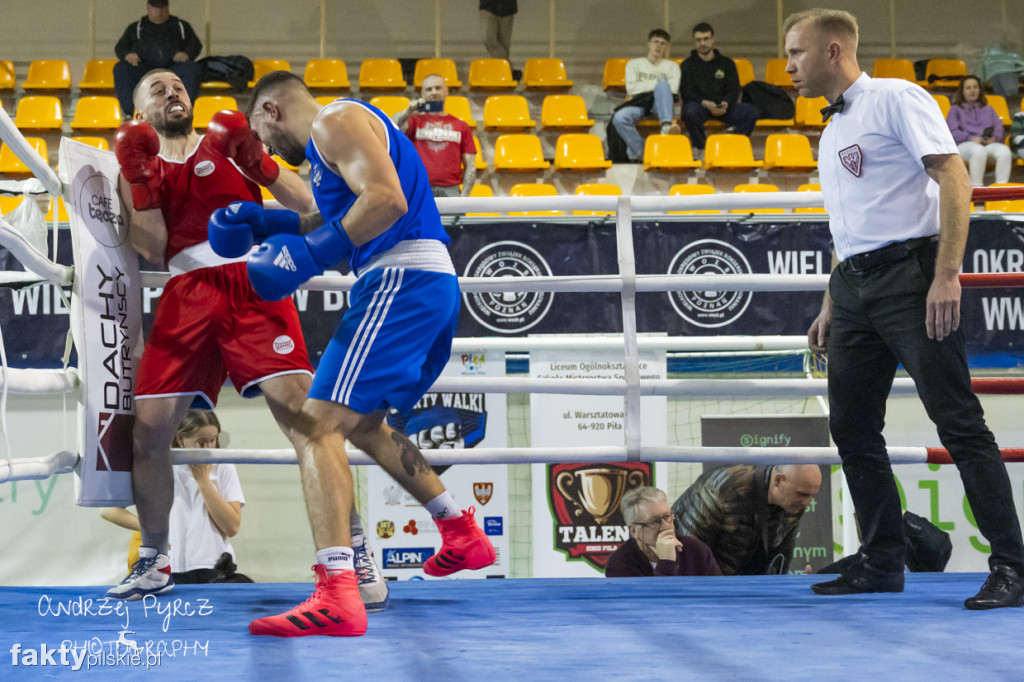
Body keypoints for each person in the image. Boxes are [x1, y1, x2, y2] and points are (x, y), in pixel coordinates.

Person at [207, 70, 497, 637]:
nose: (269, 151)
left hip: (401, 280)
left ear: (269, 110)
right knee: (363, 425)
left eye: (265, 138)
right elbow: (336, 217)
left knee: (314, 428)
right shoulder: (333, 140)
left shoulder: (332, 121)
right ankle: (460, 529)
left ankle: (338, 591)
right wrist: (265, 220)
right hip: (419, 280)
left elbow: (385, 201)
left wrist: (312, 256)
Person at [105, 69, 389, 613]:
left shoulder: (228, 138)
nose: (173, 91)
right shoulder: (136, 157)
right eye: (157, 88)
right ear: (138, 112)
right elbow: (151, 246)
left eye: (178, 85)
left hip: (253, 283)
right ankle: (156, 559)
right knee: (149, 432)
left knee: (310, 420)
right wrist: (140, 179)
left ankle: (352, 552)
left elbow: (310, 202)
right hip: (186, 291)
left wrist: (256, 161)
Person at [787, 8, 1024, 609]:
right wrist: (831, 300)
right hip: (856, 289)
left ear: (834, 50)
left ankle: (1015, 567)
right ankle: (883, 558)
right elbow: (849, 225)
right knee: (852, 426)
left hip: (912, 277)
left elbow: (955, 181)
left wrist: (947, 276)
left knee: (960, 422)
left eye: (796, 53)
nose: (787, 66)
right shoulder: (831, 130)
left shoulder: (896, 97)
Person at [102, 410, 252, 584]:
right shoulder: (159, 467)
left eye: (213, 439)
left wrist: (203, 481)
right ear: (180, 439)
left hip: (214, 566)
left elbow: (232, 527)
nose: (209, 447)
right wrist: (159, 532)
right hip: (170, 565)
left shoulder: (223, 466)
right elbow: (108, 510)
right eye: (201, 442)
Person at [671, 464, 822, 575]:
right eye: (801, 494)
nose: (806, 502)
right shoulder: (720, 490)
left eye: (811, 496)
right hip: (706, 590)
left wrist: (791, 586)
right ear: (778, 480)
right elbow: (688, 554)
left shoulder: (792, 504)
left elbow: (780, 561)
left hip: (742, 589)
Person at [678, 22, 759, 157]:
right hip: (701, 107)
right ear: (694, 42)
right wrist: (706, 104)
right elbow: (687, 92)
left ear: (713, 40)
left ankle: (731, 143)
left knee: (751, 112)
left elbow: (734, 89)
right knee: (689, 111)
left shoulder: (727, 63)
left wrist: (726, 102)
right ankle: (701, 148)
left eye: (706, 39)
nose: (702, 43)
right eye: (698, 40)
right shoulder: (687, 65)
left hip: (725, 107)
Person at [391, 74, 477, 198]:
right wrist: (406, 112)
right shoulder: (413, 121)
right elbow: (390, 129)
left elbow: (470, 165)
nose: (434, 92)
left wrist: (464, 197)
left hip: (451, 191)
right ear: (422, 94)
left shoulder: (461, 126)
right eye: (429, 89)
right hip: (419, 188)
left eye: (438, 88)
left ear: (446, 91)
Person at [605, 487, 721, 578]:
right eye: (654, 521)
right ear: (634, 531)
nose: (665, 526)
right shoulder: (619, 563)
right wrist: (666, 561)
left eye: (667, 516)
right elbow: (656, 605)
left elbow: (720, 595)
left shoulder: (697, 551)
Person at [114, 0, 202, 118]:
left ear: (168, 8)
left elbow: (195, 45)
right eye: (155, 9)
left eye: (162, 9)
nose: (159, 12)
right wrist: (127, 55)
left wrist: (186, 54)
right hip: (144, 70)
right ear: (148, 8)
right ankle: (132, 111)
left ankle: (183, 110)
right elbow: (120, 47)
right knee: (121, 68)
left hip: (173, 69)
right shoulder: (136, 27)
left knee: (192, 68)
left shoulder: (181, 26)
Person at [610, 29, 682, 163]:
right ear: (648, 44)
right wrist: (658, 83)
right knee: (619, 118)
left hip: (660, 105)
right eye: (656, 42)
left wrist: (649, 85)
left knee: (663, 86)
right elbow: (631, 89)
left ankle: (666, 125)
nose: (659, 46)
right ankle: (641, 152)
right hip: (639, 103)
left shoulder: (672, 67)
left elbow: (672, 90)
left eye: (663, 43)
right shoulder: (633, 64)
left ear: (666, 47)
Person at [946, 75, 1012, 186]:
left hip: (986, 143)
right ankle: (977, 188)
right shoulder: (955, 109)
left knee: (1004, 151)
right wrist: (970, 138)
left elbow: (998, 127)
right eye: (968, 88)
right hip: (963, 145)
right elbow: (952, 132)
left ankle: (1001, 188)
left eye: (975, 87)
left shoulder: (989, 109)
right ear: (962, 91)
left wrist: (994, 138)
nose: (972, 90)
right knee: (978, 150)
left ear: (980, 90)